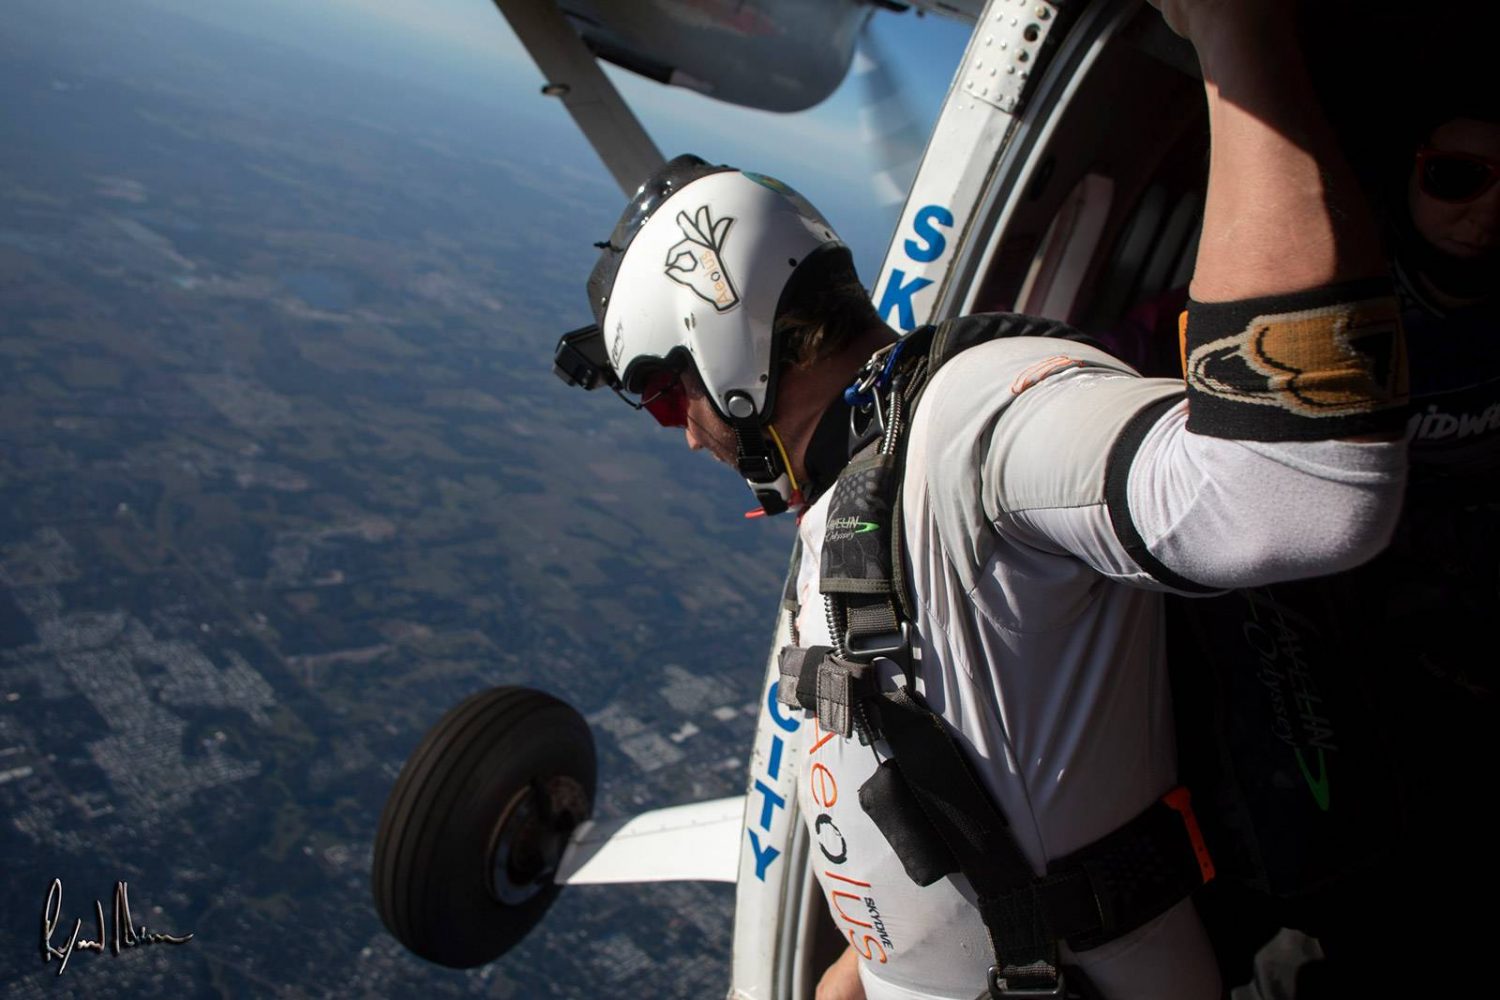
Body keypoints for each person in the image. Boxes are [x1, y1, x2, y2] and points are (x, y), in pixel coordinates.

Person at [553, 0, 1409, 997]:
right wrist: (863, 971)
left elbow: (1298, 489)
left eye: (667, 397)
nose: (684, 433)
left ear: (726, 352)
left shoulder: (976, 419)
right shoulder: (865, 480)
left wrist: (1235, 31)